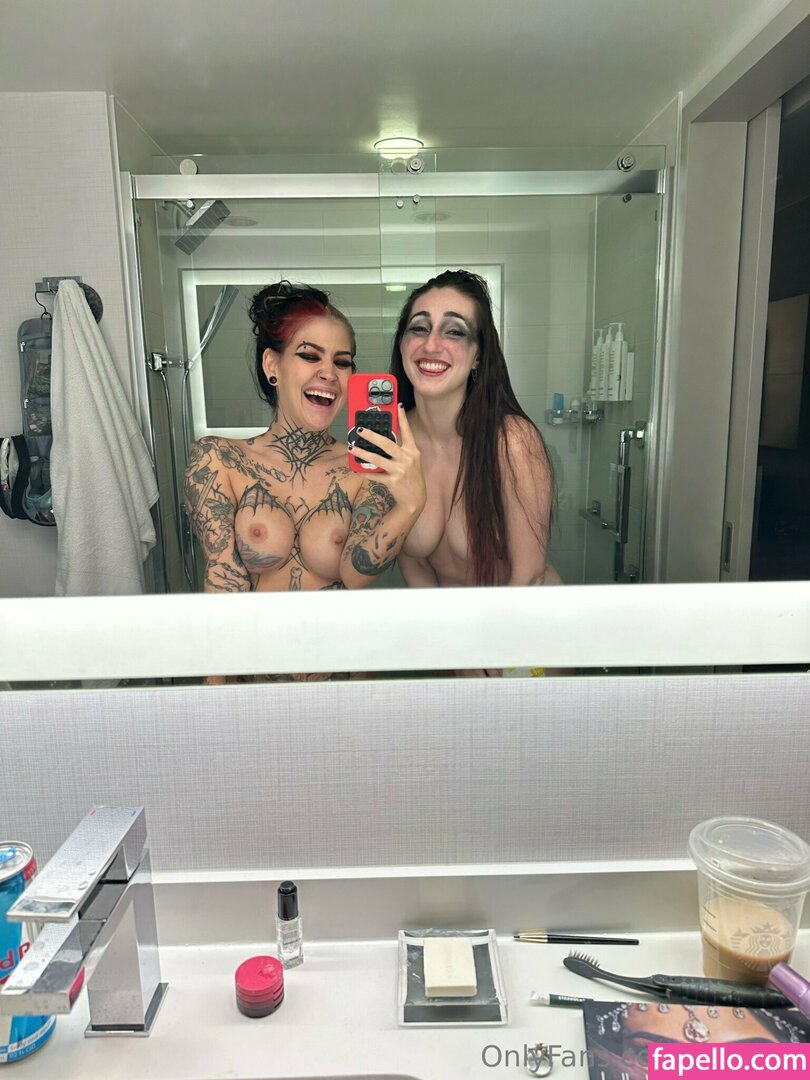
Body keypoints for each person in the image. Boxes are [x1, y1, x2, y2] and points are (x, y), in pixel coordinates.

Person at [183, 280, 425, 679]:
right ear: (272, 366)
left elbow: (356, 574)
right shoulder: (219, 460)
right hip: (254, 689)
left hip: (340, 687)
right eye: (309, 356)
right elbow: (223, 584)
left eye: (342, 362)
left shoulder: (363, 469)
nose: (328, 373)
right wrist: (215, 698)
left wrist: (412, 504)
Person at [390, 269, 559, 591]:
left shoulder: (511, 440)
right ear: (402, 344)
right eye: (419, 328)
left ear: (478, 355)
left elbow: (529, 575)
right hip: (447, 616)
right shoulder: (394, 439)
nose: (431, 344)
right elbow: (414, 562)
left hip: (521, 611)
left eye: (454, 332)